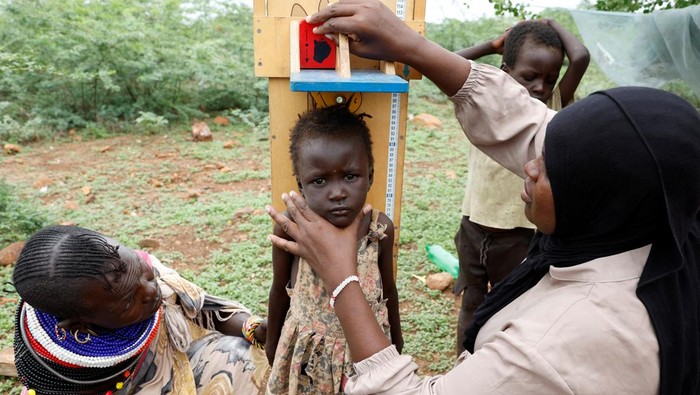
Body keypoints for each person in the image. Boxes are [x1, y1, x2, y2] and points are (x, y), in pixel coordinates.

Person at [265, 1, 700, 394]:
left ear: (600, 201)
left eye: (548, 168)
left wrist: (342, 278)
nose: (528, 166)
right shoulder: (654, 219)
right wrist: (412, 46)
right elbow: (528, 126)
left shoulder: (559, 343)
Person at [452, 20, 589, 354]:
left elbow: (580, 56)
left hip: (520, 236)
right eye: (530, 77)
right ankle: (463, 365)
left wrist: (548, 24)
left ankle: (492, 368)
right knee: (471, 301)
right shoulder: (484, 104)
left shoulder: (551, 105)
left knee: (506, 308)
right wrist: (491, 44)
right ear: (505, 70)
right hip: (473, 227)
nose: (540, 86)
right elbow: (444, 60)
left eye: (549, 79)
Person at [12, 225, 268, 395]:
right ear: (81, 326)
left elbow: (207, 309)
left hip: (187, 363)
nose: (150, 291)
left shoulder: (129, 272)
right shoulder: (60, 372)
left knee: (248, 360)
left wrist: (254, 329)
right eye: (128, 302)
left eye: (142, 272)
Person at [265, 103, 403, 394]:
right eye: (319, 181)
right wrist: (272, 344)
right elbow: (279, 290)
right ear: (301, 186)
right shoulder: (292, 229)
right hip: (305, 357)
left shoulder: (380, 230)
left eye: (350, 176)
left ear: (371, 175)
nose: (338, 192)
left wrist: (397, 345)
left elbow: (388, 291)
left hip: (365, 356)